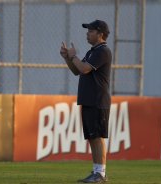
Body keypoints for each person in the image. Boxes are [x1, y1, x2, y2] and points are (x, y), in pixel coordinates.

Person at [60, 20, 112, 183]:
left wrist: (74, 55)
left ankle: (101, 174)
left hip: (98, 100)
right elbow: (77, 70)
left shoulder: (103, 51)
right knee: (92, 137)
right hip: (89, 100)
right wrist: (68, 58)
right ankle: (97, 171)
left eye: (90, 31)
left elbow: (84, 68)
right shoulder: (93, 51)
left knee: (97, 137)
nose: (87, 33)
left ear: (100, 34)